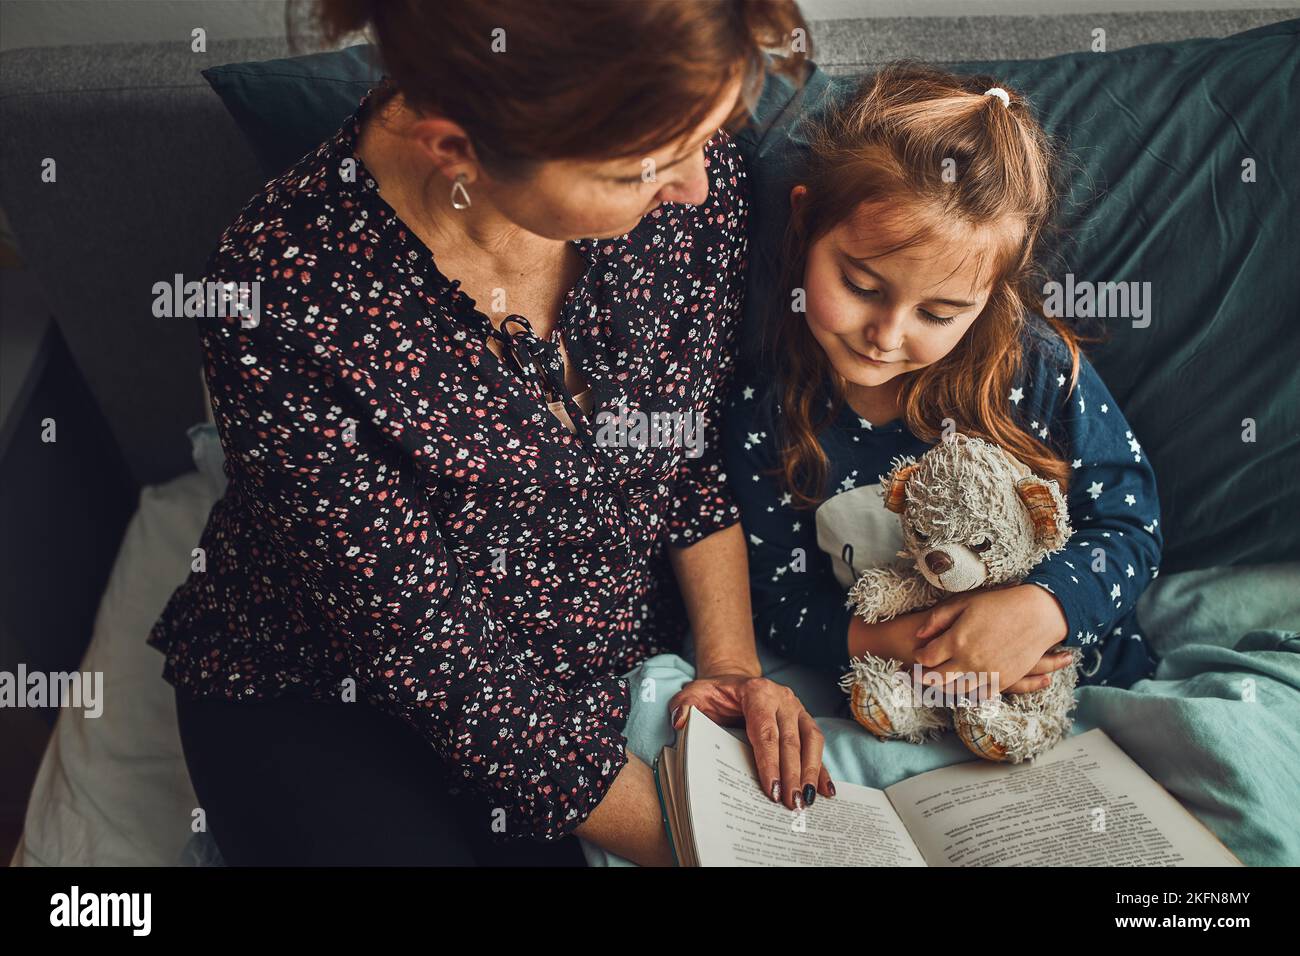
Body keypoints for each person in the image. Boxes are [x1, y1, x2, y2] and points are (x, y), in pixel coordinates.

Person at [148, 0, 830, 867]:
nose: (699, 180)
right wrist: (728, 851)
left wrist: (732, 665)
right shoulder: (278, 295)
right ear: (454, 150)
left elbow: (680, 452)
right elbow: (435, 661)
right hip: (331, 687)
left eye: (708, 135)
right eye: (645, 168)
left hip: (577, 681)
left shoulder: (690, 189)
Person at [723, 64, 1163, 709]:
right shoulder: (767, 407)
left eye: (938, 314)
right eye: (862, 288)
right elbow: (779, 604)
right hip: (890, 694)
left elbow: (1131, 526)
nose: (886, 333)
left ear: (991, 294)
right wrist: (899, 643)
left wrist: (1042, 611)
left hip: (1077, 690)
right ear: (804, 222)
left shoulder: (1036, 370)